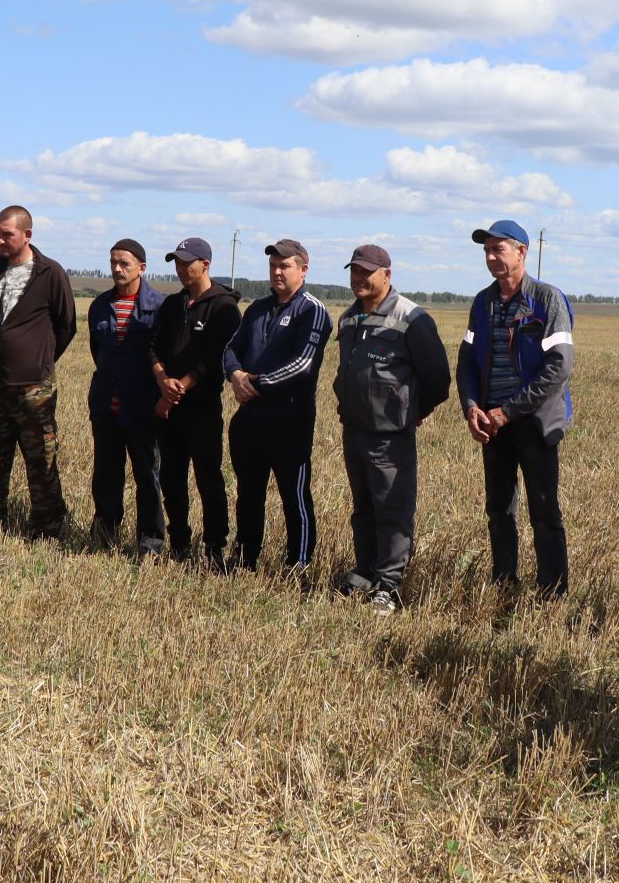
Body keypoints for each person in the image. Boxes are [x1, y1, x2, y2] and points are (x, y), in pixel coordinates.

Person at [456, 219, 575, 598]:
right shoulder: (483, 302)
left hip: (534, 421)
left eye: (498, 249)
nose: (491, 257)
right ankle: (504, 582)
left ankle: (552, 590)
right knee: (499, 508)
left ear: (522, 252)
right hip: (492, 422)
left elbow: (559, 366)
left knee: (544, 510)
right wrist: (472, 406)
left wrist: (508, 411)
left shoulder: (546, 299)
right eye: (487, 251)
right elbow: (467, 359)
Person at [333, 244, 450, 613]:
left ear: (387, 274)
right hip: (354, 429)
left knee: (393, 509)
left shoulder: (411, 318)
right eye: (354, 271)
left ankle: (389, 585)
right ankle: (365, 571)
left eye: (367, 272)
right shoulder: (349, 318)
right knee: (363, 506)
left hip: (390, 434)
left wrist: (416, 409)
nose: (359, 278)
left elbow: (438, 378)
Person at [222, 239, 332, 572]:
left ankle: (298, 563)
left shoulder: (312, 310)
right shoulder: (256, 308)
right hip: (250, 419)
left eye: (284, 265)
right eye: (273, 266)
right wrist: (235, 374)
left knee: (294, 497)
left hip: (290, 421)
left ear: (303, 269)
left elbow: (303, 364)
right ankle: (244, 558)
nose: (277, 271)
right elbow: (230, 348)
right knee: (249, 493)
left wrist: (255, 383)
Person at [0, 205, 77, 540]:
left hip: (34, 387)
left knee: (40, 459)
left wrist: (40, 359)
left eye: (7, 234)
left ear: (27, 235)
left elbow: (67, 326)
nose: (0, 240)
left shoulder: (49, 273)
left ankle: (47, 527)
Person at [149, 237, 242, 565]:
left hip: (200, 409)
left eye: (187, 262)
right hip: (168, 407)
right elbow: (154, 346)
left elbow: (214, 358)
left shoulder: (224, 307)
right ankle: (179, 543)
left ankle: (215, 547)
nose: (180, 268)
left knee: (208, 478)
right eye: (176, 261)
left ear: (205, 264)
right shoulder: (173, 304)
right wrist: (162, 380)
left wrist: (177, 391)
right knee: (171, 478)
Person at [87, 238, 166, 555]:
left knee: (147, 477)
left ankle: (150, 543)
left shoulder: (158, 307)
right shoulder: (99, 306)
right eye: (113, 263)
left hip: (142, 408)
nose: (117, 269)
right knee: (106, 476)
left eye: (125, 264)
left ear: (142, 268)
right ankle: (105, 536)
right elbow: (99, 352)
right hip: (107, 406)